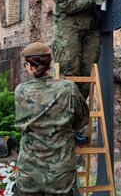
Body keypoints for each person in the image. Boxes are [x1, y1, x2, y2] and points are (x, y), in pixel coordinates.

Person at [14, 42, 89, 196]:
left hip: (29, 171)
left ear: (29, 66)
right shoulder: (68, 88)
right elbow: (82, 119)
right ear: (49, 64)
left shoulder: (21, 90)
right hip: (61, 173)